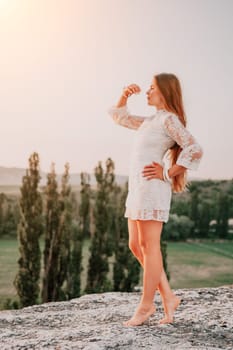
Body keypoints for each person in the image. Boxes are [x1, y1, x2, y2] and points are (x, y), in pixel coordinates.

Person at [108, 73, 204, 327]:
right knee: (135, 246)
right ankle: (169, 297)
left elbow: (194, 148)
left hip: (152, 188)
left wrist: (167, 172)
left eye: (152, 88)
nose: (148, 92)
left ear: (164, 92)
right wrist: (124, 95)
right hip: (138, 187)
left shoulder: (169, 120)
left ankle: (147, 305)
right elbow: (121, 117)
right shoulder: (152, 120)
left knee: (150, 246)